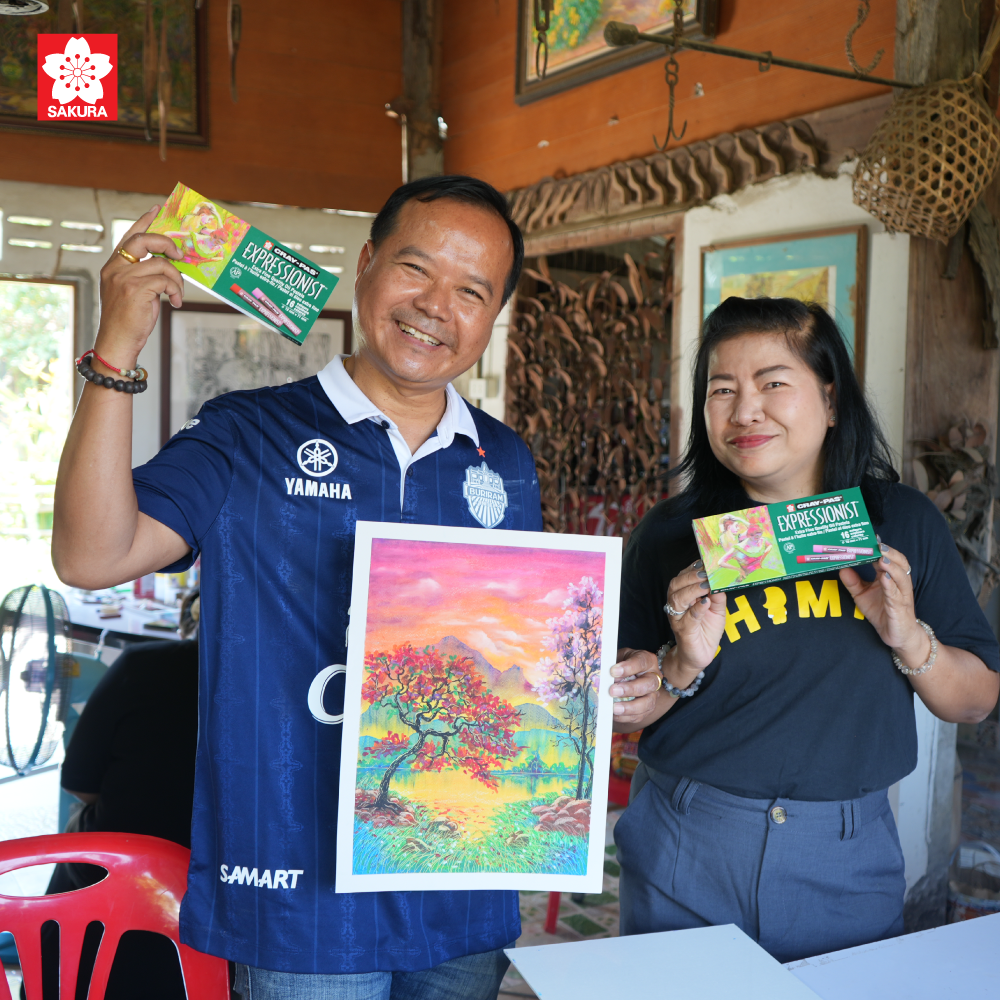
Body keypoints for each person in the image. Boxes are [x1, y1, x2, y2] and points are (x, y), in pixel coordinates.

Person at [52, 176, 540, 999]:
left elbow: (513, 646)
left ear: (493, 315)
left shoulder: (505, 460)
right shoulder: (248, 433)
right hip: (296, 896)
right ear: (367, 263)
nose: (436, 307)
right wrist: (115, 354)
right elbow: (90, 557)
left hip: (461, 882)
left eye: (472, 291)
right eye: (416, 269)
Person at [607, 297, 1000, 963]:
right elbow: (621, 712)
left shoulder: (900, 523)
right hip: (686, 842)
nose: (745, 411)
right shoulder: (671, 535)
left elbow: (977, 700)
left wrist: (909, 637)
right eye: (722, 390)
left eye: (772, 384)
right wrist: (680, 663)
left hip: (845, 854)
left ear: (832, 399)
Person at [35, 589, 200, 1000]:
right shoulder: (298, 686)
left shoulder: (142, 664)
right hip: (221, 900)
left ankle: (48, 977)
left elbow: (79, 784)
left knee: (79, 834)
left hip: (116, 882)